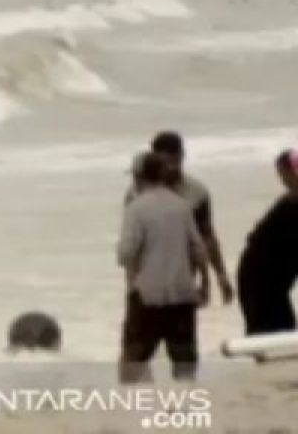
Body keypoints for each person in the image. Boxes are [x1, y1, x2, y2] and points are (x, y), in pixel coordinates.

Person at [118, 152, 208, 383]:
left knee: (134, 361)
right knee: (184, 362)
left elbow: (126, 253)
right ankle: (185, 409)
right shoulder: (182, 206)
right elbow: (198, 249)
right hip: (182, 294)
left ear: (139, 177)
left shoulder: (136, 209)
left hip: (148, 295)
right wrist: (204, 285)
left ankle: (136, 409)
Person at [126, 131, 234, 307]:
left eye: (174, 161)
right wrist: (131, 287)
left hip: (183, 280)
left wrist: (219, 276)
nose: (170, 168)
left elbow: (206, 237)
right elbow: (131, 247)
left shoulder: (196, 193)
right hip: (146, 283)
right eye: (165, 163)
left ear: (182, 156)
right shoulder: (135, 195)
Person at [236, 149, 298, 335]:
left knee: (281, 327)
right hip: (260, 279)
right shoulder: (289, 203)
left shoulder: (289, 202)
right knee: (270, 329)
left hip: (271, 280)